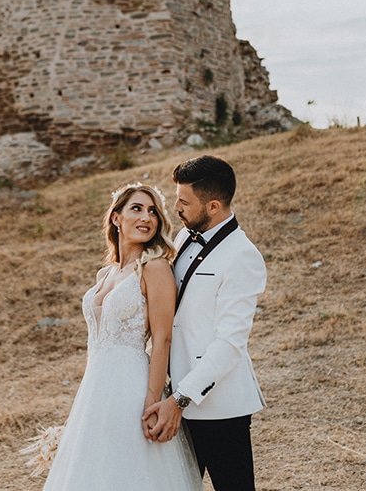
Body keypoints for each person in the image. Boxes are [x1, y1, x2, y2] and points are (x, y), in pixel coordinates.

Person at [42, 183, 202, 491]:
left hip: (133, 387)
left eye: (153, 211)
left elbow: (162, 339)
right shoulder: (106, 274)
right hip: (96, 388)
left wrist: (153, 401)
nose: (146, 217)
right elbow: (96, 342)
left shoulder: (155, 268)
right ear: (116, 218)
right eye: (137, 209)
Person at [142, 155, 268, 491]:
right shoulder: (185, 237)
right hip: (172, 396)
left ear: (213, 206)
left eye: (184, 202)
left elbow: (229, 344)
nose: (175, 208)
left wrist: (180, 399)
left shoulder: (243, 256)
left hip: (219, 406)